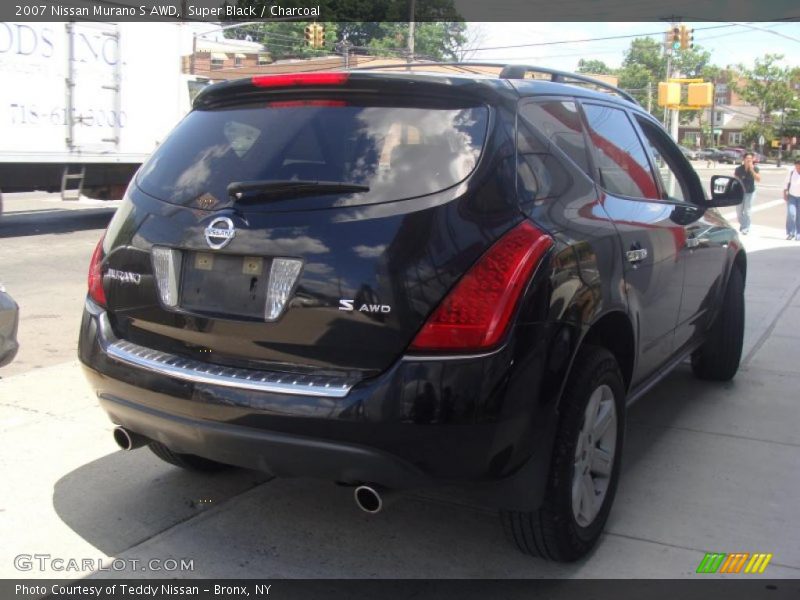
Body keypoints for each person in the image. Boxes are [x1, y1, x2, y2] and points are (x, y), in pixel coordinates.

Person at [734, 152, 760, 235]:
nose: (749, 160)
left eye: (750, 159)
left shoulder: (755, 168)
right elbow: (735, 180)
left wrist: (752, 169)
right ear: (744, 160)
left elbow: (758, 179)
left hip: (750, 192)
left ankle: (746, 227)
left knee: (747, 210)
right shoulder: (738, 169)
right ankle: (743, 224)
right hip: (740, 192)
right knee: (739, 211)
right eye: (747, 159)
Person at [784, 158, 800, 240]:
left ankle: (798, 233)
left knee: (799, 216)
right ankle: (790, 232)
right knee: (791, 214)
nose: (798, 167)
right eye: (797, 165)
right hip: (792, 196)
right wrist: (785, 193)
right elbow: (786, 183)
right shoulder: (791, 172)